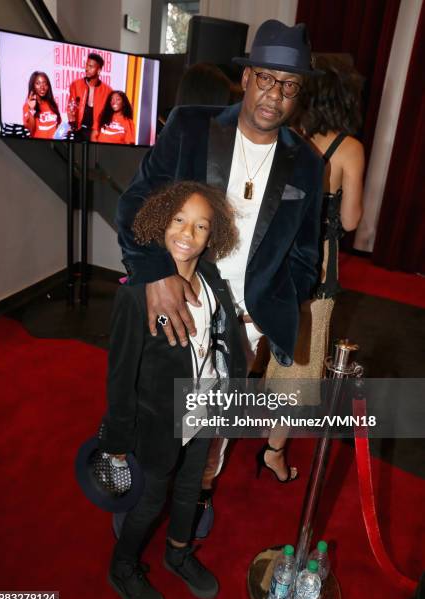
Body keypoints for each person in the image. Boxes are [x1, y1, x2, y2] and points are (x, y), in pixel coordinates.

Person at [116, 20, 324, 534]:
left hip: (243, 324)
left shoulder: (307, 165)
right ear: (248, 75)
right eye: (267, 79)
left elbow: (303, 258)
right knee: (158, 413)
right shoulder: (191, 125)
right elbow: (134, 206)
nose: (276, 94)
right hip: (178, 302)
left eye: (290, 85)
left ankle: (196, 497)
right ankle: (138, 501)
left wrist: (269, 308)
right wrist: (156, 275)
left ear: (299, 95)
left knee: (212, 432)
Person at [99, 180, 245, 599]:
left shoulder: (213, 286)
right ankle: (122, 565)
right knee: (149, 500)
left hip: (202, 409)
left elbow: (221, 345)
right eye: (179, 220)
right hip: (156, 421)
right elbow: (120, 374)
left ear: (212, 236)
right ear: (160, 223)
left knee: (189, 492)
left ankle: (178, 553)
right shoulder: (136, 294)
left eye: (201, 226)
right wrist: (119, 440)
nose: (187, 233)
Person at [264, 55, 365, 478]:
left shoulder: (285, 133)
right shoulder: (349, 149)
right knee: (301, 359)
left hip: (269, 253)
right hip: (315, 265)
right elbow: (350, 221)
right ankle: (273, 452)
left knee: (254, 341)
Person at [67, 52, 112, 141]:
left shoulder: (108, 91)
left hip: (96, 134)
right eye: (87, 65)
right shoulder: (76, 85)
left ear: (99, 70)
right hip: (78, 131)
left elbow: (108, 115)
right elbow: (71, 107)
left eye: (91, 67)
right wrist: (72, 122)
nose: (87, 69)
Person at [22, 71, 61, 139]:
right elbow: (30, 131)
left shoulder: (53, 105)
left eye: (44, 83)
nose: (42, 87)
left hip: (54, 145)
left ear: (48, 86)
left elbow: (58, 128)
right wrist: (32, 109)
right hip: (39, 146)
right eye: (38, 83)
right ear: (33, 86)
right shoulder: (27, 106)